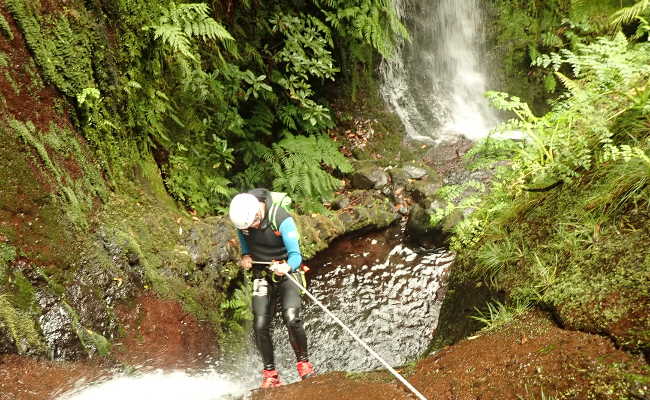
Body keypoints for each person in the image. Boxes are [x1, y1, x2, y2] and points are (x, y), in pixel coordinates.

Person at [228, 188, 315, 388]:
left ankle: (304, 364)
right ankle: (270, 373)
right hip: (262, 272)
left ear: (259, 212)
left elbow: (296, 255)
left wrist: (286, 266)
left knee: (291, 317)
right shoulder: (243, 222)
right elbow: (245, 246)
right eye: (250, 226)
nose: (254, 227)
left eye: (255, 223)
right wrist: (246, 257)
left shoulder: (281, 218)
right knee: (259, 324)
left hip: (287, 272)